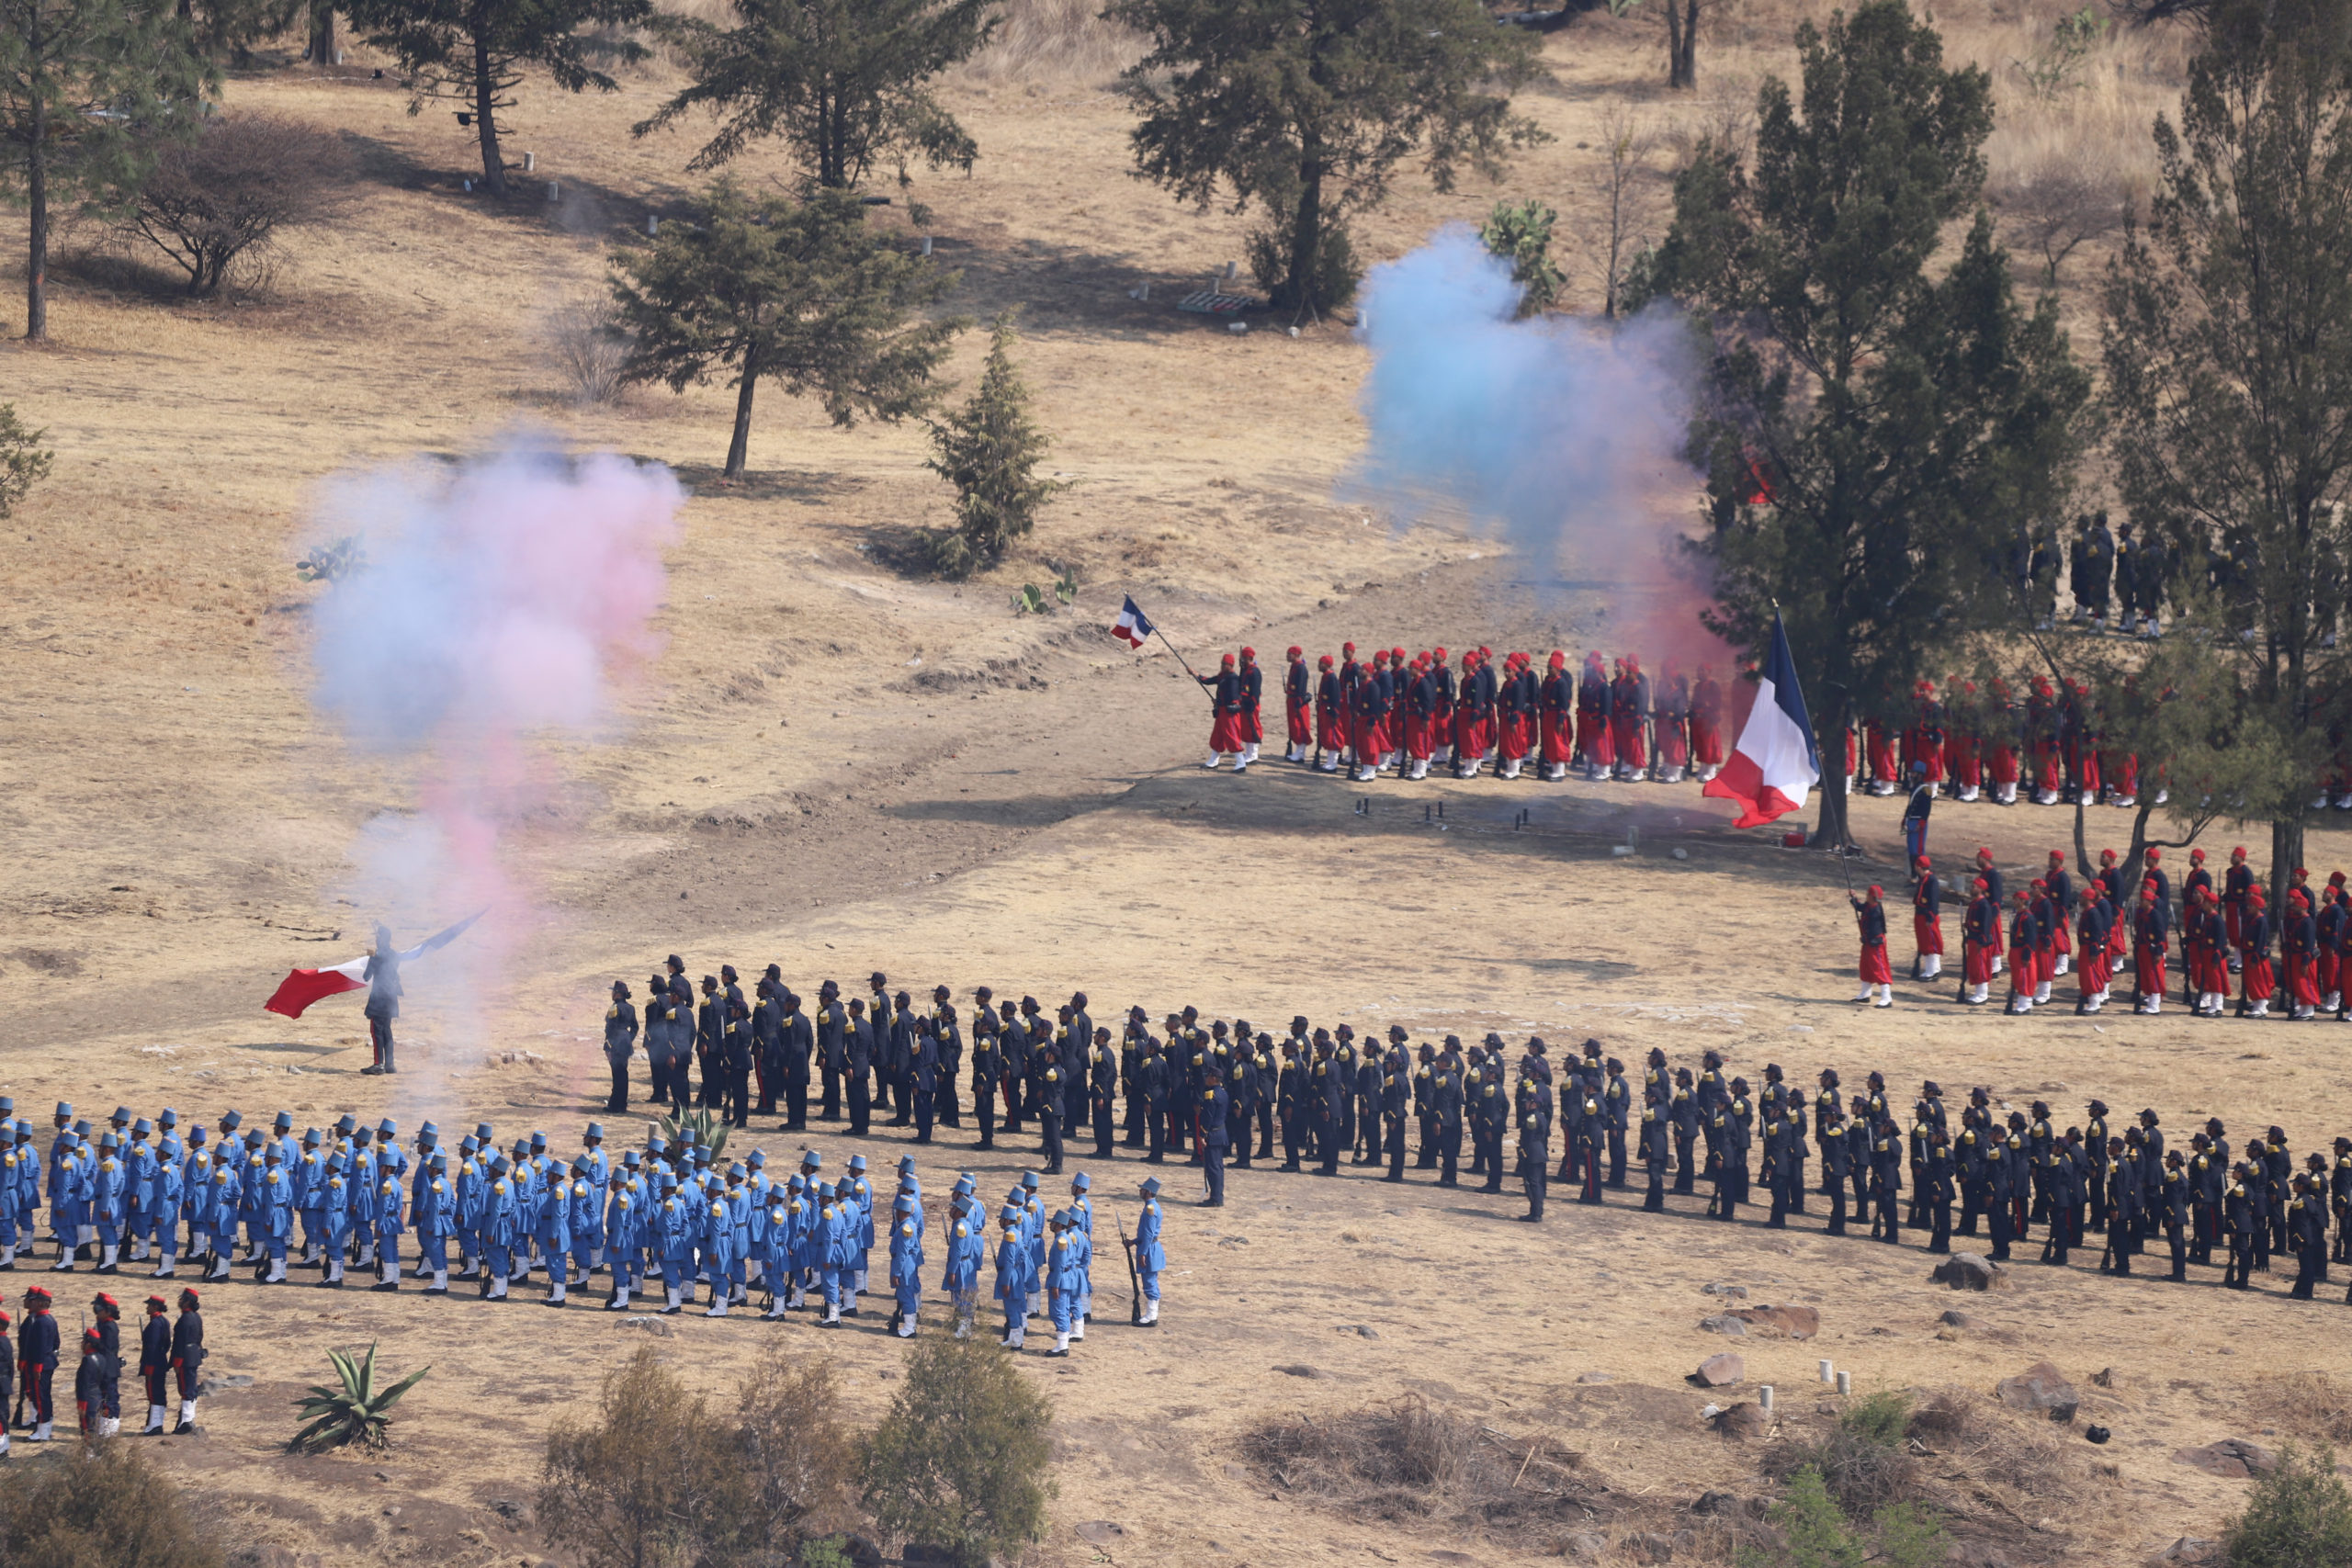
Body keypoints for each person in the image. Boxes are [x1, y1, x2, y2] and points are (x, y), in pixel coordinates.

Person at [1199, 652, 1248, 772]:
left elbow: (1231, 697)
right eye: (1222, 663)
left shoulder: (1233, 678)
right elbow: (1209, 680)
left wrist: (1218, 702)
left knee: (1232, 736)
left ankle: (1241, 763)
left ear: (1230, 665)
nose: (1222, 665)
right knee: (1218, 735)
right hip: (1222, 711)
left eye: (1224, 664)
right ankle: (1213, 761)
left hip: (1229, 712)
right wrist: (1196, 674)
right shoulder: (1223, 676)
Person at [1851, 885, 1894, 1007]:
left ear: (1871, 896)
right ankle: (1865, 994)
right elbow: (1860, 907)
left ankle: (1887, 997)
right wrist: (1854, 898)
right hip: (1868, 943)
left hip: (1875, 944)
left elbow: (1874, 931)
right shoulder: (1869, 906)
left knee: (1879, 968)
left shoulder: (1876, 911)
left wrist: (1866, 938)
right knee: (1865, 967)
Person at [1283, 646, 1314, 766]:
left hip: (1297, 702)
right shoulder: (1295, 667)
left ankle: (1300, 753)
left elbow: (1300, 688)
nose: (1287, 656)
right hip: (1292, 700)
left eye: (1289, 654)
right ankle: (1298, 751)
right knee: (1294, 727)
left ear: (1296, 655)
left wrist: (1298, 703)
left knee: (1299, 727)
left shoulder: (1300, 668)